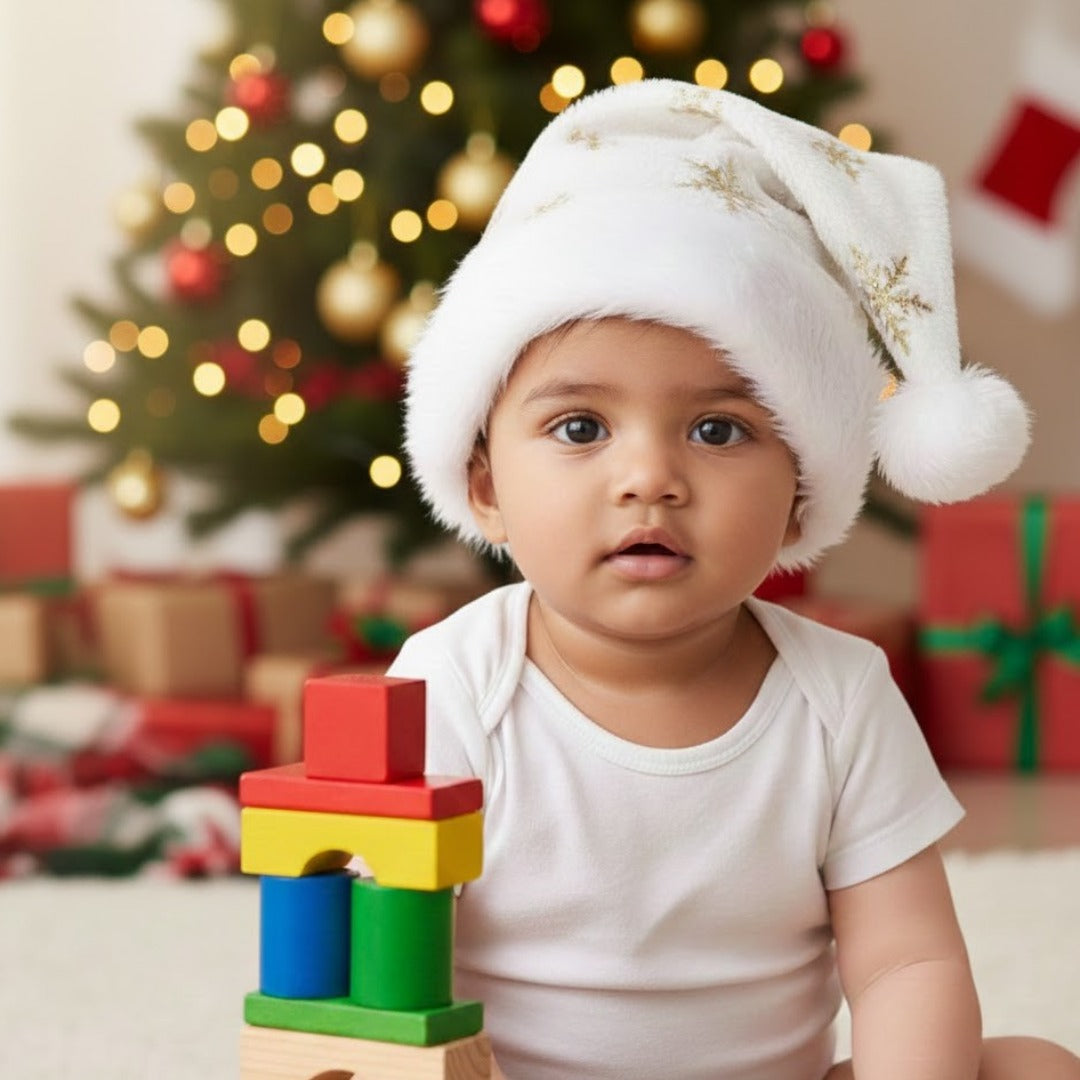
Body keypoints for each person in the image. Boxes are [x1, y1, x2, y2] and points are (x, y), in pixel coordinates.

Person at [388, 79, 1080, 1080]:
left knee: (1034, 1067)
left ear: (802, 491)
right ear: (484, 485)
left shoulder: (839, 696)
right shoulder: (453, 685)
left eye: (719, 430)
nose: (651, 479)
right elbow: (396, 973)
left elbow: (905, 963)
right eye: (580, 428)